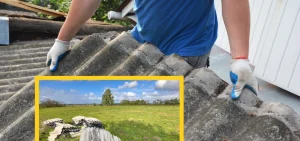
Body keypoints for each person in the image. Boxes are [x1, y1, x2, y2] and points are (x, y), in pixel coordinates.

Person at [46, 0, 258, 99]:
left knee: (167, 107)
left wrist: (240, 58)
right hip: (144, 36)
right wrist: (62, 40)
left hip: (188, 45)